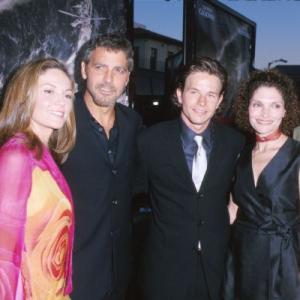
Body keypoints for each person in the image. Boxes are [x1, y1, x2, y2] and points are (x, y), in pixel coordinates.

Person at [135, 57, 245, 300]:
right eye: (194, 91)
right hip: (164, 271)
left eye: (210, 94)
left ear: (219, 101)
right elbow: (130, 200)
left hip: (217, 268)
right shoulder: (149, 141)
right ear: (179, 93)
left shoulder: (235, 142)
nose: (201, 102)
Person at [61, 34, 142, 300]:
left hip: (120, 273)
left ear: (127, 78)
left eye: (118, 70)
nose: (108, 80)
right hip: (69, 275)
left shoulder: (133, 124)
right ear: (84, 70)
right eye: (100, 67)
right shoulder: (59, 122)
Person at [0, 58, 76, 300]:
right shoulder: (16, 155)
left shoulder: (42, 155)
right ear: (25, 95)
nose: (60, 102)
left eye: (67, 95)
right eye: (48, 91)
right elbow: (3, 255)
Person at [224, 70, 300, 300]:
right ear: (247, 108)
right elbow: (232, 211)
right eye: (257, 104)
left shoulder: (296, 156)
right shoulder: (241, 154)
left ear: (286, 110)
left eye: (275, 105)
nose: (265, 113)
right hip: (240, 258)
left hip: (284, 260)